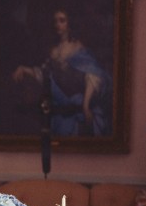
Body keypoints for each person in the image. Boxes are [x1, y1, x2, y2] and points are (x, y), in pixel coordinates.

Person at [12, 8, 112, 137]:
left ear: (69, 23)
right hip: (60, 110)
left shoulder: (78, 48)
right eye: (55, 21)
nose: (57, 24)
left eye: (62, 21)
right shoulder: (53, 50)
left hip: (79, 110)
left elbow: (93, 76)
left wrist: (86, 106)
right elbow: (45, 75)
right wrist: (24, 68)